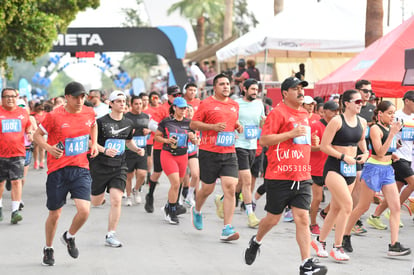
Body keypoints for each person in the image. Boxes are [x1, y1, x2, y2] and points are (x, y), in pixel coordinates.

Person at [243, 77, 326, 274]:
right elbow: (264, 140)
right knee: (273, 219)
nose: (300, 92)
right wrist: (290, 134)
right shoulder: (277, 113)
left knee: (303, 219)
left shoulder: (305, 114)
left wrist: (312, 142)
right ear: (284, 93)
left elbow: (301, 142)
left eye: (301, 88)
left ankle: (306, 263)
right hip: (279, 176)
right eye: (295, 89)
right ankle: (256, 241)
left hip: (302, 175)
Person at [33, 82, 98, 266]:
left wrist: (93, 143)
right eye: (76, 96)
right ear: (67, 97)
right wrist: (48, 148)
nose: (80, 100)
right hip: (58, 170)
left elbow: (93, 125)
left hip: (80, 168)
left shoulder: (88, 112)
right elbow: (36, 136)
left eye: (82, 97)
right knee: (55, 214)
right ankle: (48, 248)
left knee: (84, 210)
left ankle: (69, 236)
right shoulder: (54, 116)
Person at [342, 100, 410, 256]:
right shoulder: (375, 129)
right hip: (373, 169)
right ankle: (345, 235)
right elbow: (378, 152)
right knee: (363, 206)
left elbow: (386, 151)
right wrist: (392, 134)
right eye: (390, 113)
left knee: (395, 207)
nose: (393, 117)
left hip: (387, 170)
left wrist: (393, 152)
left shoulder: (388, 128)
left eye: (394, 113)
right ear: (380, 114)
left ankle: (394, 245)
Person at [311, 89, 368, 262]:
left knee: (336, 208)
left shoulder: (363, 122)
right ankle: (338, 247)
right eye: (357, 102)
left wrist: (365, 154)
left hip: (350, 170)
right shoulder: (337, 121)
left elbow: (361, 142)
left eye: (362, 102)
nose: (361, 104)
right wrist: (343, 157)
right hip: (335, 167)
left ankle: (319, 242)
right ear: (347, 103)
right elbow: (324, 146)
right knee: (347, 205)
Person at [190, 73, 243, 241]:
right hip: (209, 152)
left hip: (229, 152)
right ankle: (197, 210)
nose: (226, 86)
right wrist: (212, 126)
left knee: (230, 187)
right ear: (215, 87)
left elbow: (231, 122)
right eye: (222, 84)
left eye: (228, 83)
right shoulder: (206, 104)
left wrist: (238, 126)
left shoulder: (235, 104)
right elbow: (193, 124)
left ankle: (227, 228)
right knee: (208, 189)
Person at [90, 91, 145, 248]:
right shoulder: (100, 122)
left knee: (116, 200)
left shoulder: (128, 123)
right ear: (111, 104)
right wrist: (104, 150)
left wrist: (137, 149)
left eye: (124, 101)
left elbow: (128, 142)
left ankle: (111, 234)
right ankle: (101, 197)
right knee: (95, 202)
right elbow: (90, 142)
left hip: (119, 166)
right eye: (118, 101)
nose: (122, 104)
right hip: (100, 166)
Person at [367, 91, 414, 229]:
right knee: (412, 183)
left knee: (394, 191)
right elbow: (387, 134)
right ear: (407, 101)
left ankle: (375, 216)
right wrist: (394, 144)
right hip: (396, 156)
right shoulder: (397, 116)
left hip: (407, 156)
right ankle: (394, 211)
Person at [155, 97, 197, 224]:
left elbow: (196, 141)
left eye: (185, 108)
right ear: (174, 107)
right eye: (181, 108)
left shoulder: (189, 123)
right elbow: (157, 137)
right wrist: (167, 140)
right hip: (168, 154)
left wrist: (193, 137)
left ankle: (169, 205)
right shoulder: (166, 122)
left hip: (183, 156)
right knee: (175, 183)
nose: (184, 110)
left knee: (177, 184)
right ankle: (172, 211)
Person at [234, 79, 265, 228]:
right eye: (252, 89)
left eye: (256, 89)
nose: (255, 92)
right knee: (247, 180)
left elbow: (261, 123)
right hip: (238, 145)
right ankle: (250, 215)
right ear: (244, 89)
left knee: (241, 181)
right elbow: (229, 121)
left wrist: (265, 123)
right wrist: (236, 125)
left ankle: (221, 199)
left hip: (253, 145)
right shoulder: (236, 104)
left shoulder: (259, 104)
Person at [0, 88, 33, 224]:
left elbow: (28, 126)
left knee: (16, 181)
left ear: (16, 97)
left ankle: (15, 211)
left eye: (13, 96)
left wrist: (30, 133)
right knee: (1, 183)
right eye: (6, 96)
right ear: (2, 98)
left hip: (18, 152)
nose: (10, 99)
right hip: (1, 153)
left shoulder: (22, 113)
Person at [309, 101, 339, 235]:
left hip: (332, 166)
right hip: (316, 167)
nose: (335, 114)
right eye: (333, 111)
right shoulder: (316, 126)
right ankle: (313, 223)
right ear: (324, 111)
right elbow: (309, 146)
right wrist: (324, 147)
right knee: (317, 198)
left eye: (337, 111)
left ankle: (325, 212)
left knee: (339, 195)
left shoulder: (338, 126)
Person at [351, 79, 375, 234]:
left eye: (370, 92)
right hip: (350, 153)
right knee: (355, 186)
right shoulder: (350, 106)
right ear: (358, 91)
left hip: (366, 151)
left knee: (358, 187)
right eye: (365, 91)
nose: (368, 94)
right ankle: (353, 219)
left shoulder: (372, 108)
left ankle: (331, 213)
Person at [124, 96, 150, 206]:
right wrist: (129, 132)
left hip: (142, 149)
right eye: (136, 104)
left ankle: (136, 189)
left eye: (140, 103)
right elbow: (121, 133)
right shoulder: (126, 117)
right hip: (129, 150)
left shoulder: (146, 116)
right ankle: (129, 196)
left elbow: (150, 130)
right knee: (129, 175)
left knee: (142, 173)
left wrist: (148, 131)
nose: (139, 106)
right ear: (131, 104)